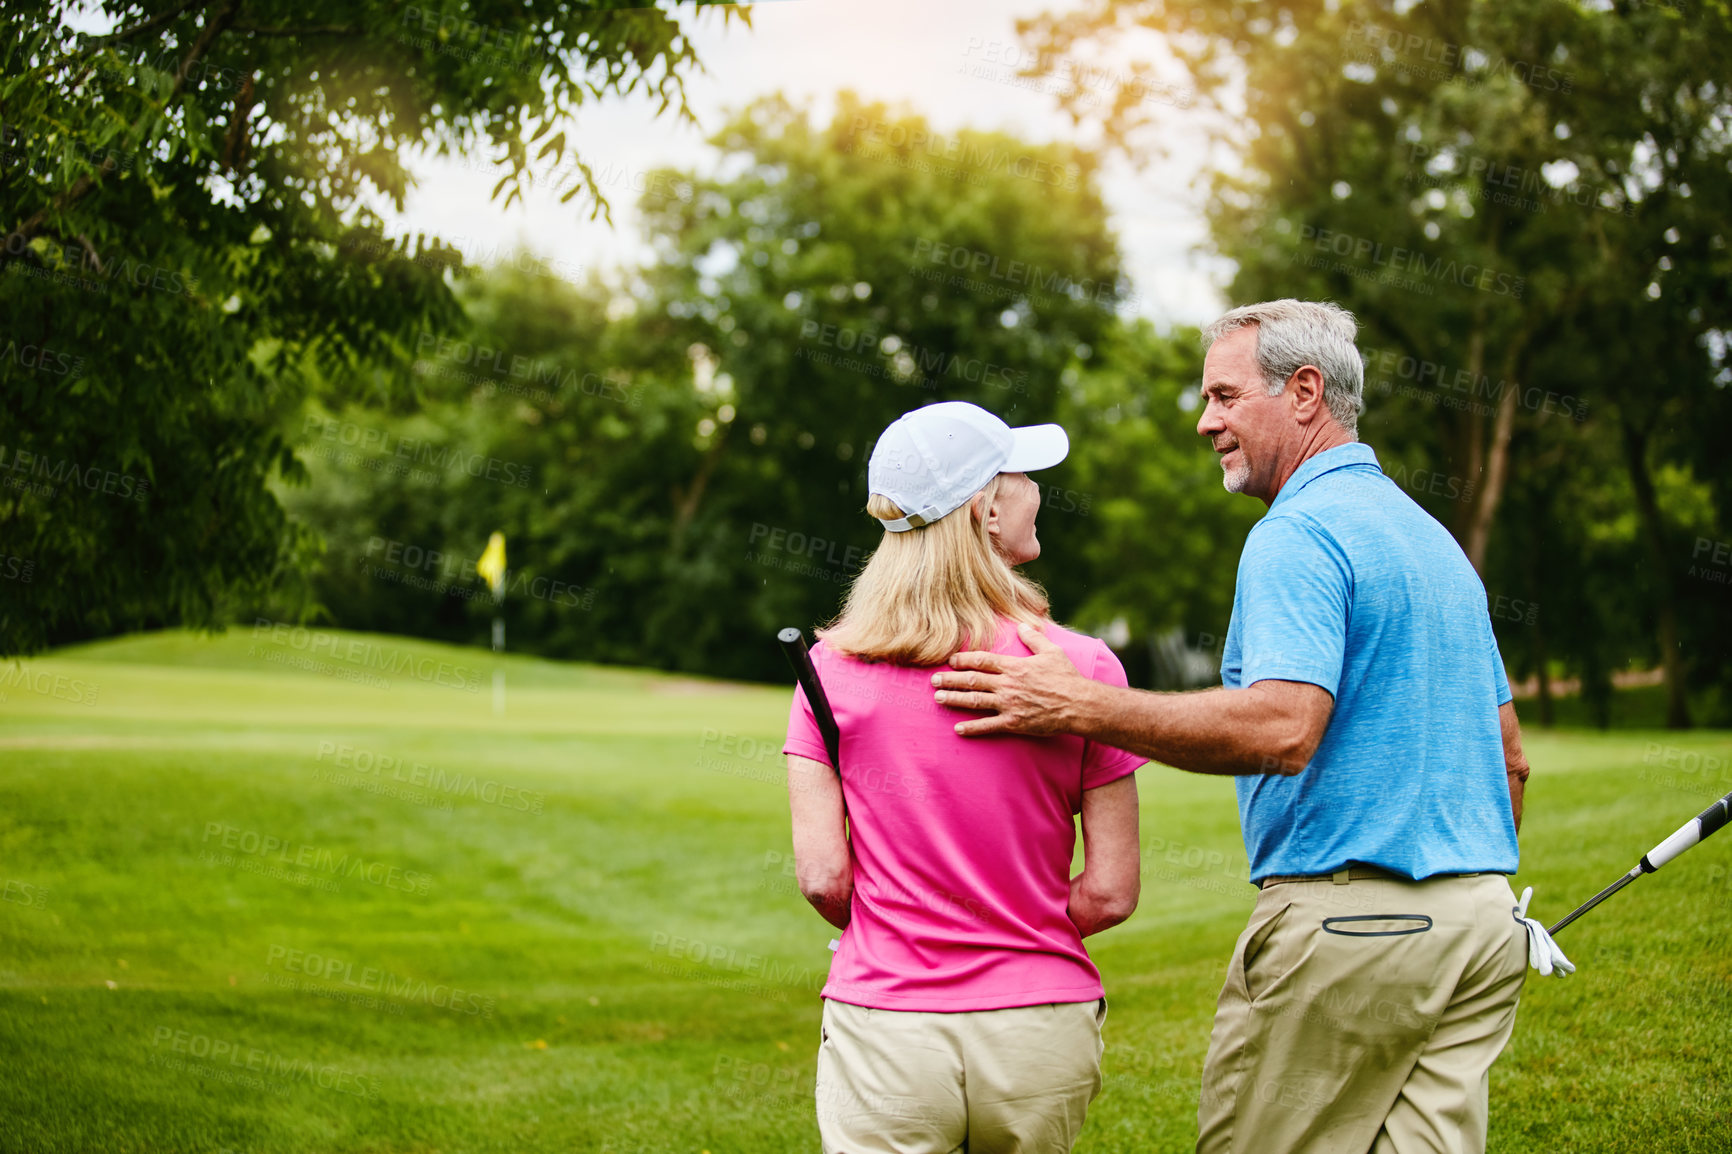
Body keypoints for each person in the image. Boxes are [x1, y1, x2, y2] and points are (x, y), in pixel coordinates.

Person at [929, 301, 1537, 1154]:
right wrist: (1454, 908)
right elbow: (1509, 759)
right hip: (1480, 927)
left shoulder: (1297, 533)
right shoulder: (1431, 539)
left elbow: (1285, 729)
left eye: (1223, 394)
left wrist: (1083, 705)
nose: (1205, 420)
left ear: (1304, 392)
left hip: (1349, 931)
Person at [782, 400, 1146, 1154]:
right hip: (1039, 1027)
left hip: (888, 1027)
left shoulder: (829, 673)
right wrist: (1011, 929)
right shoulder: (1082, 669)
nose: (1035, 490)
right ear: (985, 508)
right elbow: (1111, 891)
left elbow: (824, 880)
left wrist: (914, 928)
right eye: (1021, 476)